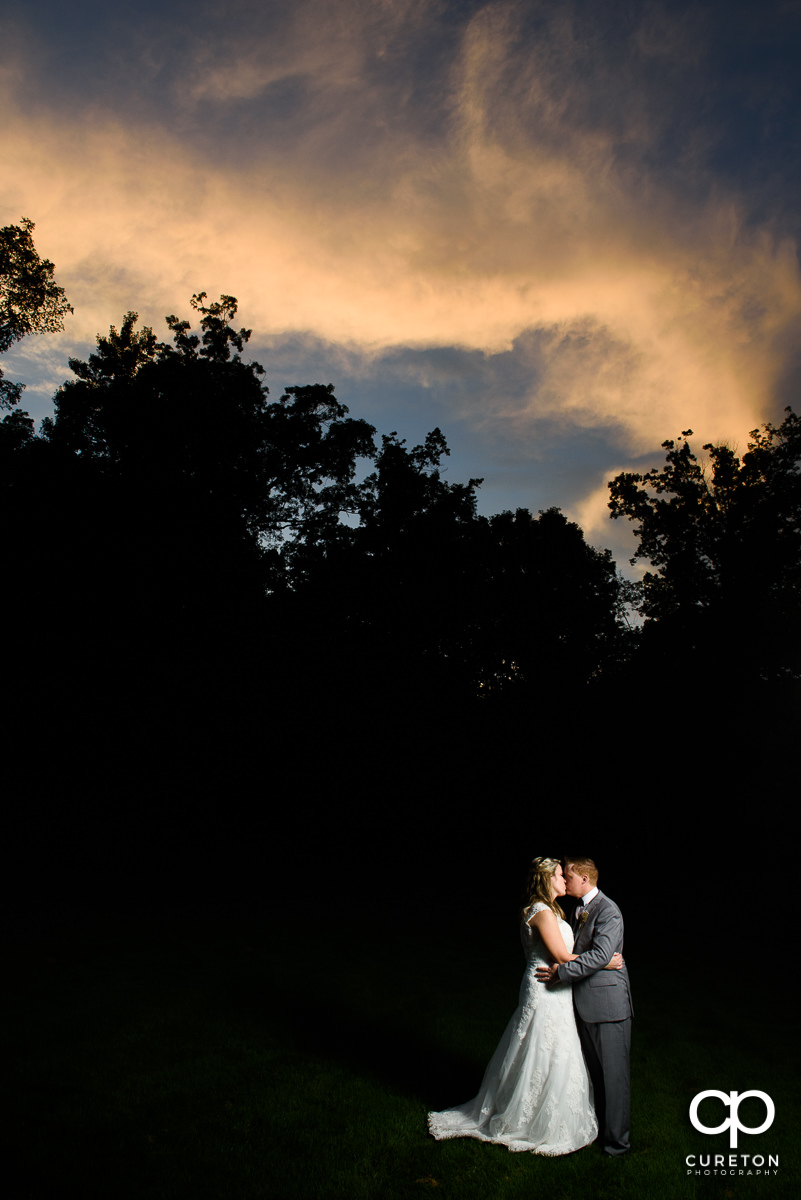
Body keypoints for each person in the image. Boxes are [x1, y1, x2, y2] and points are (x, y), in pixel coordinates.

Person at [427, 856, 623, 1156]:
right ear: (547, 880)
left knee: (550, 1050)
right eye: (560, 875)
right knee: (541, 1048)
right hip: (546, 989)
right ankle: (528, 1118)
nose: (564, 880)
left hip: (556, 991)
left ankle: (546, 1112)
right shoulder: (542, 912)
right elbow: (560, 955)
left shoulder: (552, 910)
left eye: (566, 875)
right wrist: (606, 960)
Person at [535, 857, 632, 1156]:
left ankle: (617, 1145)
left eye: (570, 875)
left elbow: (601, 955)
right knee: (596, 1074)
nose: (566, 880)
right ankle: (600, 1131)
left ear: (585, 880)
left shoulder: (608, 911)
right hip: (585, 1003)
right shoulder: (579, 910)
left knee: (614, 1078)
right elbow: (591, 955)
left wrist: (561, 973)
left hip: (608, 1006)